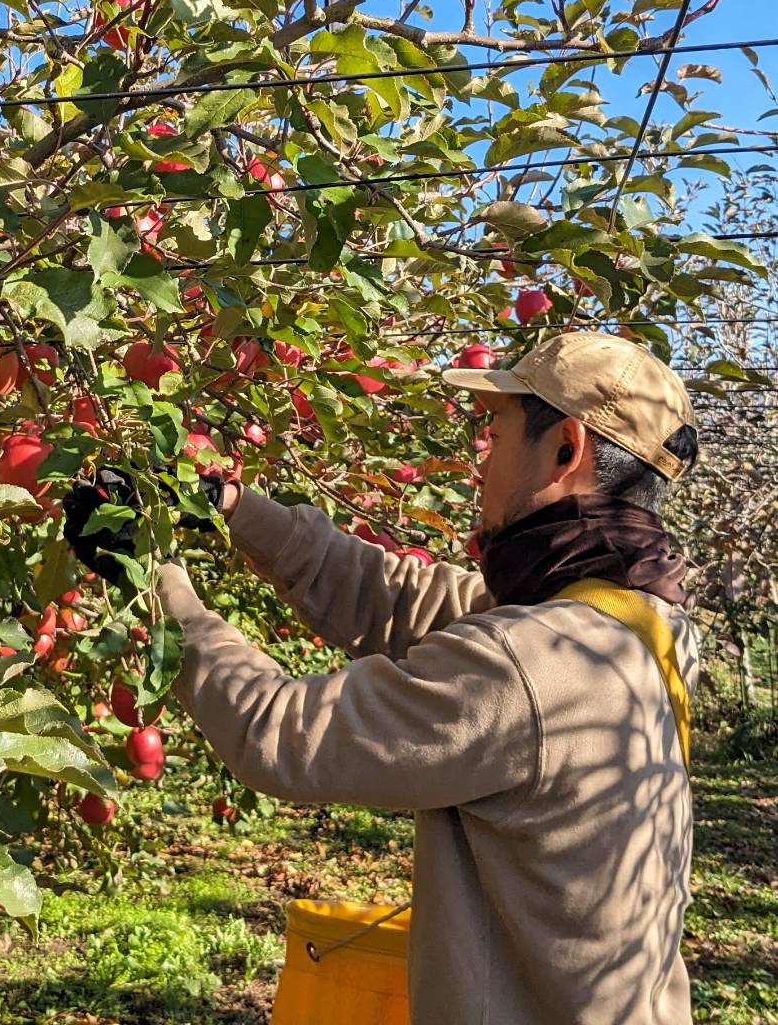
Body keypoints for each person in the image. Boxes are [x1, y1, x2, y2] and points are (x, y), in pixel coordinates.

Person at [62, 331, 701, 1025]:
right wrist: (233, 507)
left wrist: (151, 579)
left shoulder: (532, 664)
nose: (480, 457)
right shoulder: (639, 620)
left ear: (564, 450)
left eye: (495, 433)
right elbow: (402, 600)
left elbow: (280, 731)